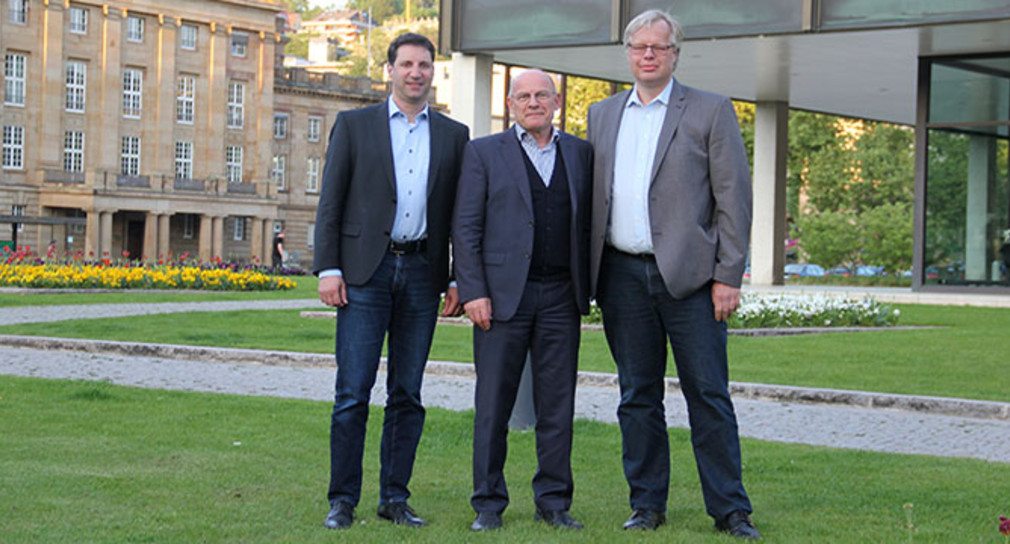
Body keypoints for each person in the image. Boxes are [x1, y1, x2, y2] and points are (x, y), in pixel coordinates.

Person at [586, 10, 760, 539]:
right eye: (639, 46)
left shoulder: (710, 111)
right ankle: (646, 505)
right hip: (620, 276)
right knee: (637, 396)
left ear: (675, 54)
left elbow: (734, 198)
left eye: (658, 48)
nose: (648, 55)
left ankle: (730, 510)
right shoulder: (601, 113)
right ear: (628, 51)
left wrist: (729, 274)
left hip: (691, 281)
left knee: (708, 395)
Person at [313, 32, 469, 531]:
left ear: (431, 73)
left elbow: (462, 215)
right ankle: (343, 500)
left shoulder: (453, 135)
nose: (416, 73)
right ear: (390, 70)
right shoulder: (354, 125)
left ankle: (394, 498)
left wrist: (458, 277)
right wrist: (329, 268)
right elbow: (331, 201)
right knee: (352, 392)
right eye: (407, 64)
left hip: (423, 273)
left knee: (408, 394)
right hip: (363, 273)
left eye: (425, 65)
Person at [452, 70, 593, 532]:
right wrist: (473, 291)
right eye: (523, 96)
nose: (533, 102)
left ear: (556, 102)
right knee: (493, 404)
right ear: (511, 104)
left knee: (558, 405)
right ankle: (488, 503)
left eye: (542, 95)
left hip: (560, 296)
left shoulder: (579, 153)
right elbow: (466, 228)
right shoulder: (483, 153)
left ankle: (553, 502)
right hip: (501, 298)